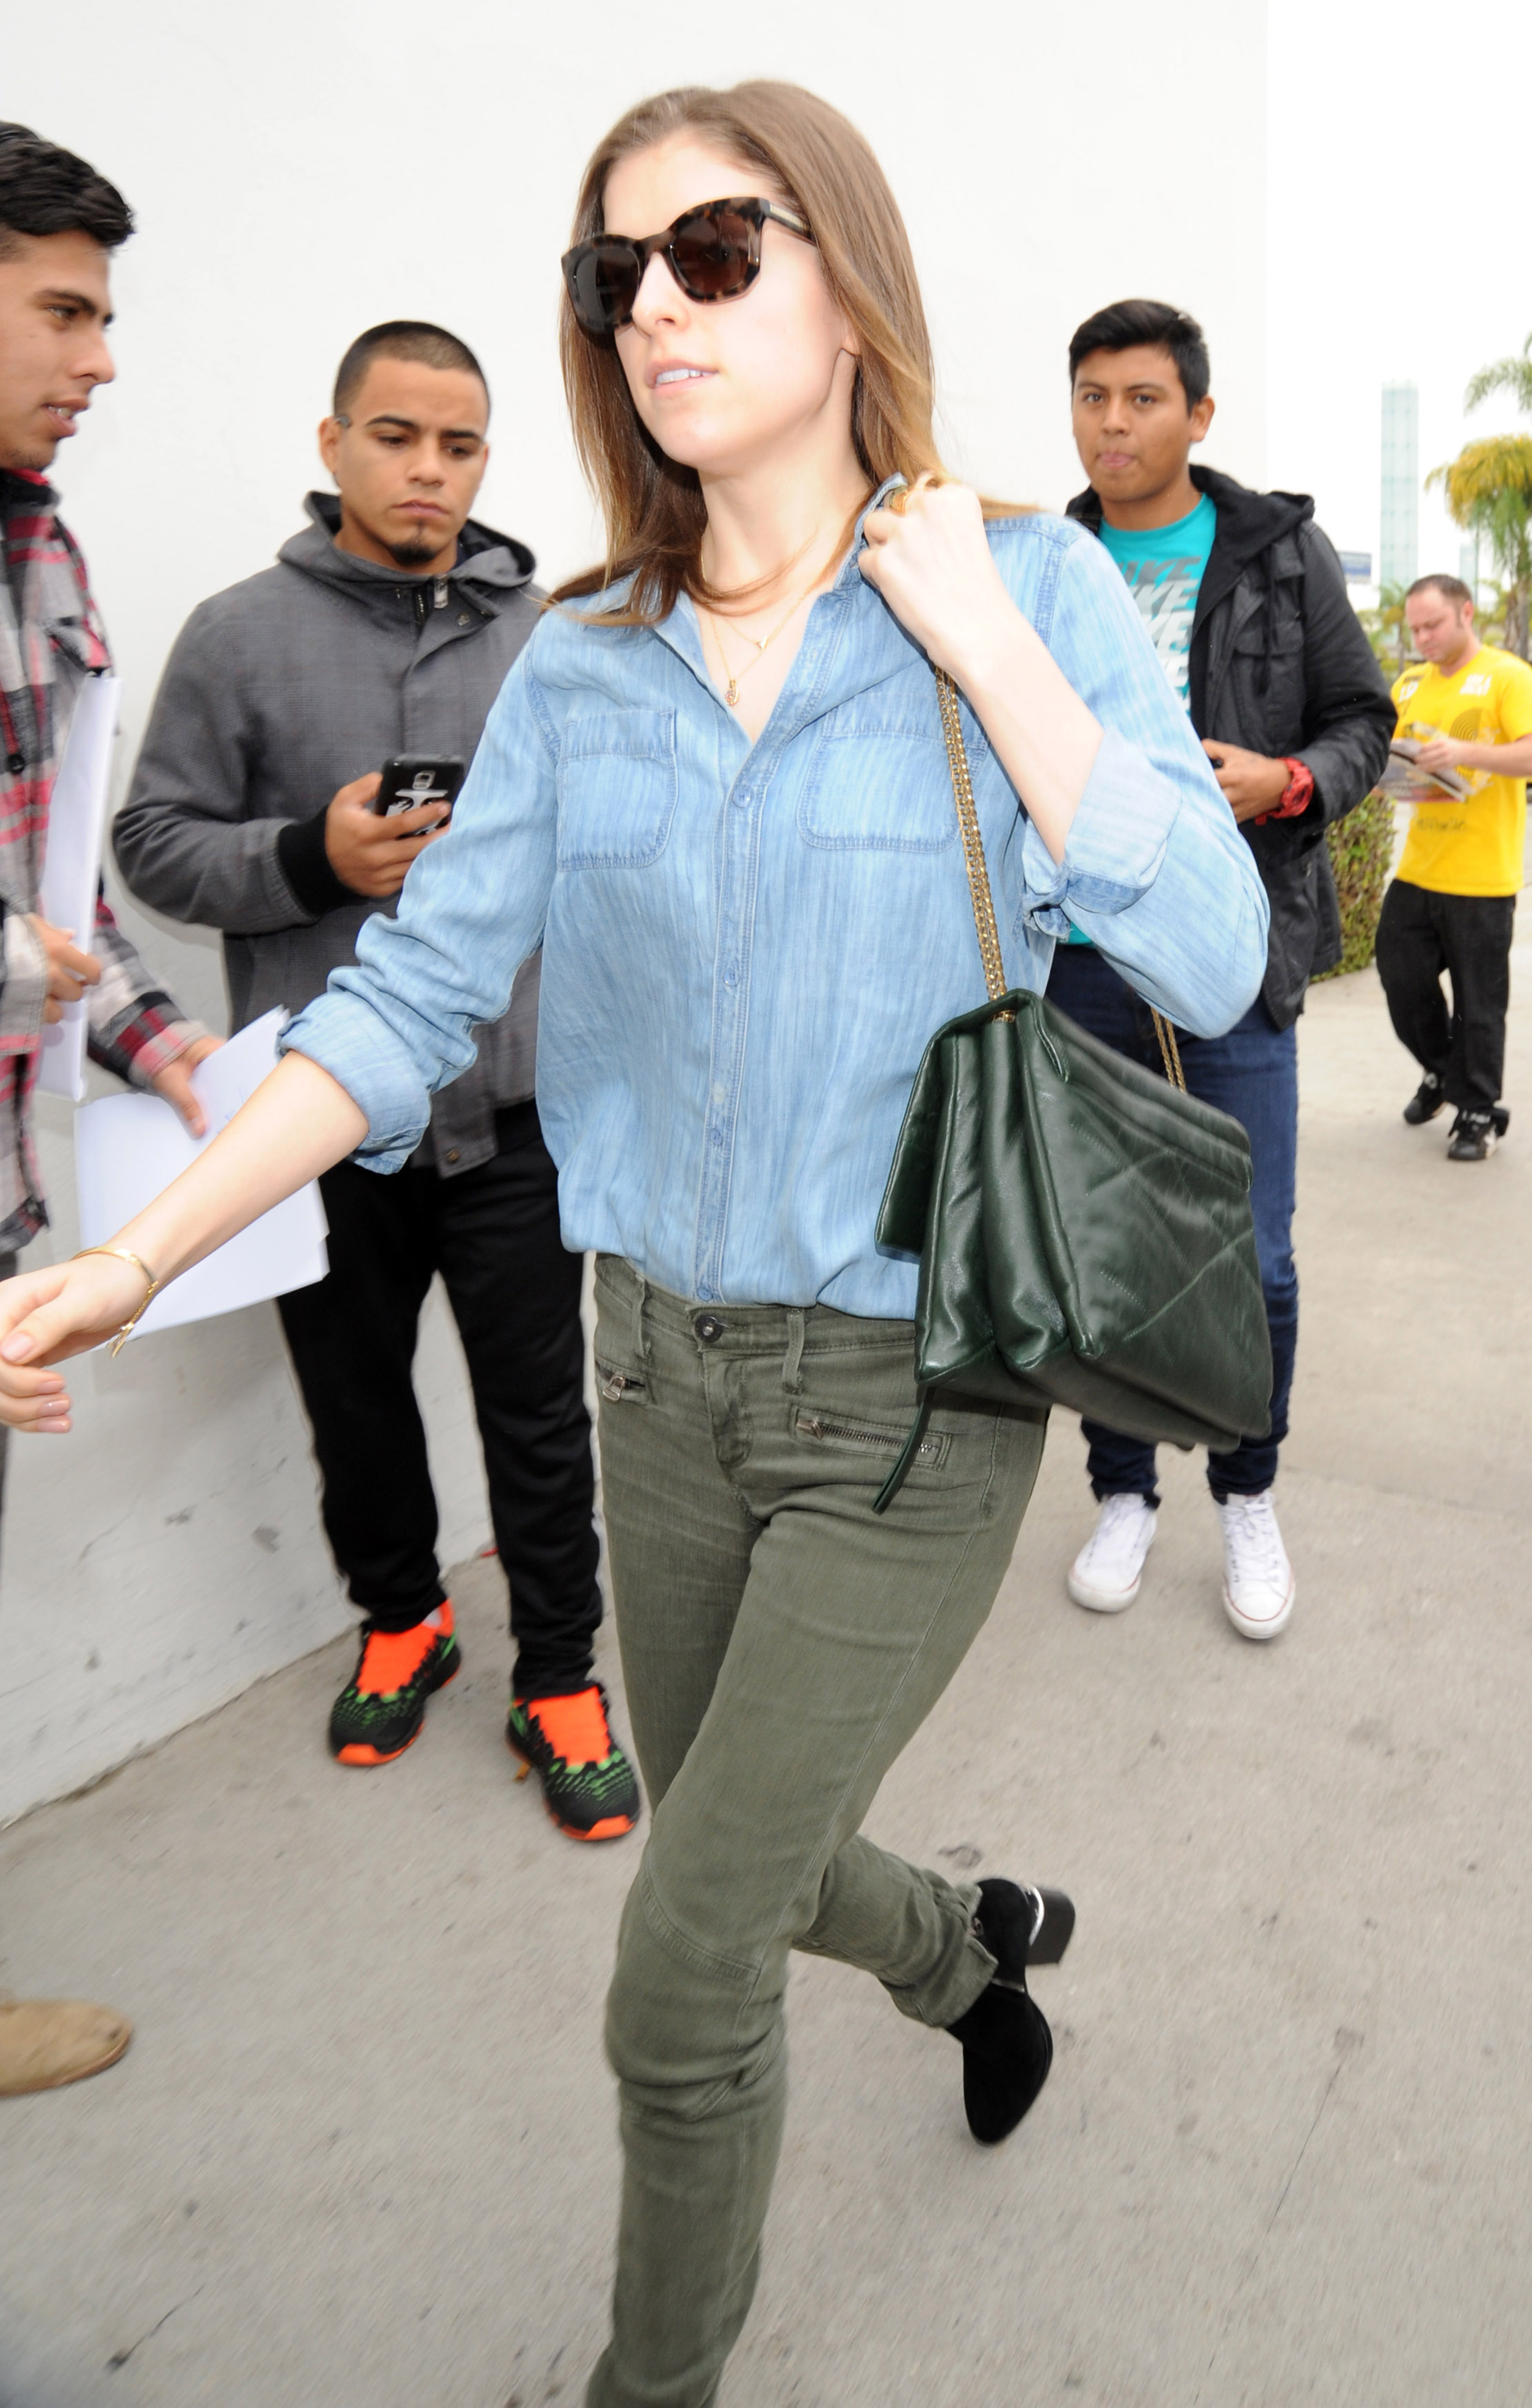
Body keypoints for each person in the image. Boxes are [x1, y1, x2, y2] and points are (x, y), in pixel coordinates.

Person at [0, 84, 1267, 2401]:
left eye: (711, 250)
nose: (653, 306)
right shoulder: (580, 660)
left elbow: (1206, 952)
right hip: (653, 1378)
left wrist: (986, 647)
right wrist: (142, 1249)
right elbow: (404, 999)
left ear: (844, 269)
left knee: (680, 1975)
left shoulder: (1032, 581)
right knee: (740, 1855)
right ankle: (968, 1955)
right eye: (615, 272)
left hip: (910, 1393)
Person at [113, 321, 638, 1838]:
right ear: (333, 441)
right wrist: (311, 856)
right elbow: (153, 845)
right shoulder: (235, 634)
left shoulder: (547, 634)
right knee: (354, 1403)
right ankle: (402, 1617)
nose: (428, 470)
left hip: (518, 1111)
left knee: (539, 1415)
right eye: (397, 436)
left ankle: (560, 1672)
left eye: (459, 445)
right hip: (320, 1120)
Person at [1054, 298, 1394, 1641]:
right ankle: (1122, 1487)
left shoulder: (1276, 554)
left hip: (1231, 958)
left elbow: (1361, 717)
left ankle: (1245, 1490)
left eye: (1141, 398)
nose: (1112, 424)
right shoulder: (1045, 561)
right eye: (1091, 397)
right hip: (1080, 963)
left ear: (1197, 415)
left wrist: (1288, 780)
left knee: (1251, 1257)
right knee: (1104, 1253)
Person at [0, 124, 218, 2096]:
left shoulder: (43, 549)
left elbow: (64, 882)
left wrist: (166, 1051)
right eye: (64, 311)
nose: (103, 358)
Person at [1376, 572, 1532, 1162]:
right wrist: (1383, 777)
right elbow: (1384, 751)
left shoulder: (1509, 676)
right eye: (1415, 629)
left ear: (1467, 613)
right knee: (1402, 981)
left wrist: (1466, 752)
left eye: (1433, 625)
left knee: (1479, 1005)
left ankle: (1477, 1114)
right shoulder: (1411, 683)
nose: (1423, 638)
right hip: (1419, 870)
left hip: (1483, 876)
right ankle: (1444, 1073)